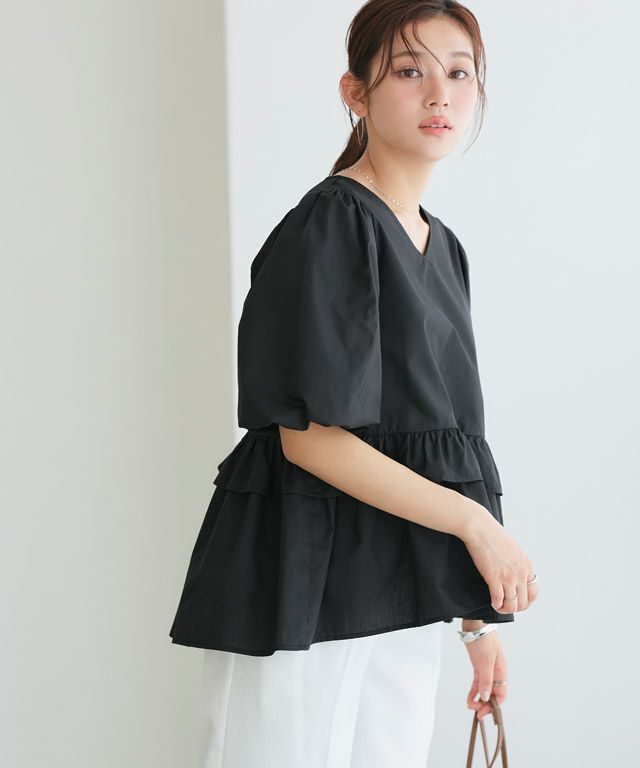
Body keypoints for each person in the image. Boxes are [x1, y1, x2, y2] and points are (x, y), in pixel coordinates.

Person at [169, 1, 539, 765]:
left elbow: (443, 443)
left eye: (459, 73)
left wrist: (474, 622)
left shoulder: (443, 246)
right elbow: (311, 441)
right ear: (355, 92)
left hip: (399, 585)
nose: (439, 94)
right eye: (409, 71)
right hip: (306, 580)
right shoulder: (334, 223)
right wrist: (478, 528)